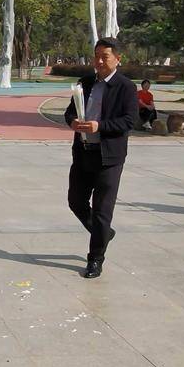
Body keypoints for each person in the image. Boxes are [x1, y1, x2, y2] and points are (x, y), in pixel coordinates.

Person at [63, 38, 139, 278]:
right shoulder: (85, 83)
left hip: (109, 158)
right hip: (83, 152)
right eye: (96, 56)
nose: (99, 61)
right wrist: (73, 121)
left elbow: (130, 121)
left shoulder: (126, 87)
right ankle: (103, 232)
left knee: (102, 210)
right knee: (75, 201)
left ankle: (95, 259)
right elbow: (69, 111)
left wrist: (100, 126)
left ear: (117, 58)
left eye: (104, 57)